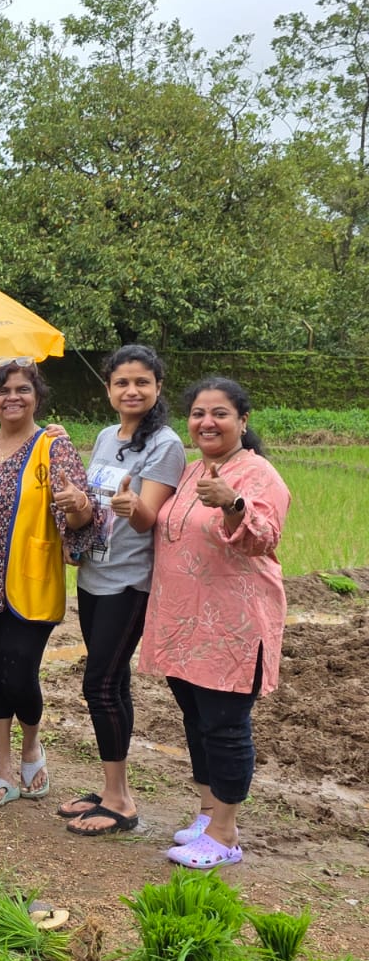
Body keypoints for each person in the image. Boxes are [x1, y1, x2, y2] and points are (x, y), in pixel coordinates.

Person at [137, 378, 289, 869]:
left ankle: (225, 835)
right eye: (199, 413)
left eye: (220, 413)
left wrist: (232, 502)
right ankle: (208, 815)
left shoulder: (258, 475)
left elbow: (263, 538)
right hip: (185, 626)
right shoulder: (192, 469)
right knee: (197, 720)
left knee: (225, 727)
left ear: (242, 421)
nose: (207, 422)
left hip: (233, 630)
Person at [59, 346, 186, 836]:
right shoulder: (108, 436)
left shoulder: (167, 444)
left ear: (157, 387)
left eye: (142, 382)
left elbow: (148, 515)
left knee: (100, 685)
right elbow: (91, 503)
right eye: (122, 383)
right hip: (94, 575)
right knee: (111, 685)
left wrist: (131, 505)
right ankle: (113, 788)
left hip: (131, 581)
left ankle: (121, 802)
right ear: (108, 389)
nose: (132, 390)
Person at [0, 361, 94, 809]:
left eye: (22, 389)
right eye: (2, 391)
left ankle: (31, 747)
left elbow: (78, 515)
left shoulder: (52, 445)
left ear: (37, 396)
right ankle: (1, 770)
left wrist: (77, 506)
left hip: (30, 579)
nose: (11, 397)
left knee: (20, 674)